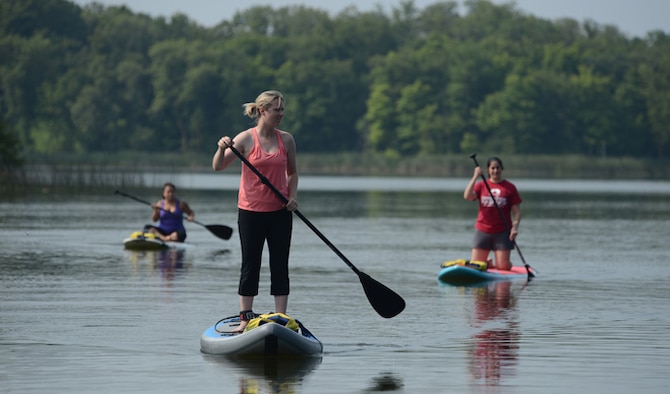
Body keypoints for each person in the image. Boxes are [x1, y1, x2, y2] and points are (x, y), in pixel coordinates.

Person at [211, 90, 298, 333]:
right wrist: (221, 148)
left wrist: (292, 197)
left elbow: (292, 173)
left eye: (282, 109)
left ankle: (282, 317)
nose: (280, 114)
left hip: (280, 211)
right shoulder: (245, 139)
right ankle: (245, 319)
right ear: (262, 111)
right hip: (250, 212)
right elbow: (218, 166)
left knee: (280, 264)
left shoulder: (287, 140)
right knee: (251, 263)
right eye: (276, 109)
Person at [463, 157, 522, 270]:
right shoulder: (481, 185)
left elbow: (517, 212)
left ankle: (502, 264)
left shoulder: (510, 188)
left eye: (498, 168)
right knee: (476, 266)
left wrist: (514, 228)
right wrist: (475, 176)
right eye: (492, 168)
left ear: (502, 169)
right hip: (483, 229)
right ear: (488, 170)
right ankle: (488, 263)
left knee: (503, 267)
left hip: (502, 231)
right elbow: (467, 196)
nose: (495, 171)